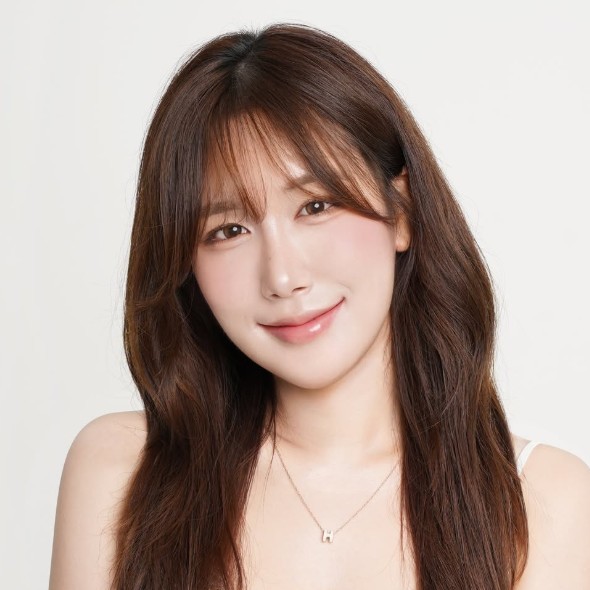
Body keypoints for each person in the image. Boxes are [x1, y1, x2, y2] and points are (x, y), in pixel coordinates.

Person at [48, 23, 590, 590]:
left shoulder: (541, 504)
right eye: (228, 230)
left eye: (315, 206)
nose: (283, 277)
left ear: (401, 210)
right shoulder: (119, 472)